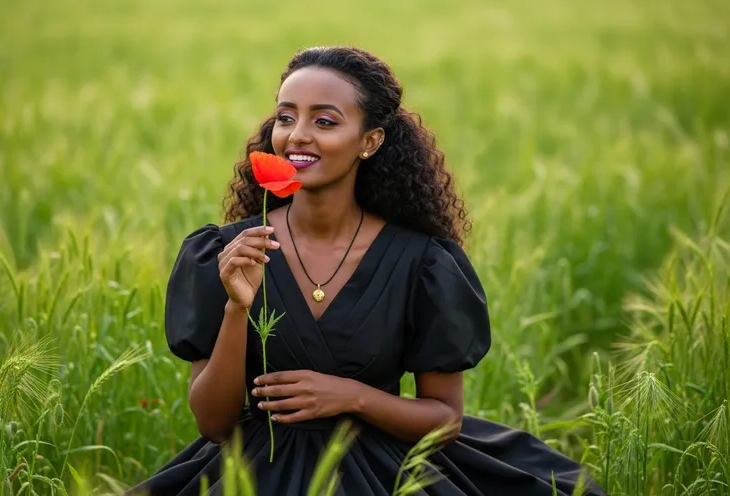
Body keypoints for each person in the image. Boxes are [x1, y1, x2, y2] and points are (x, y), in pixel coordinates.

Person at [128, 46, 606, 496]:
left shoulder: (423, 262)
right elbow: (213, 425)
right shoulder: (227, 251)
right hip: (256, 471)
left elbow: (445, 419)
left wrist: (351, 397)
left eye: (325, 121)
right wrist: (237, 306)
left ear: (370, 141)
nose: (297, 134)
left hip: (382, 471)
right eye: (286, 116)